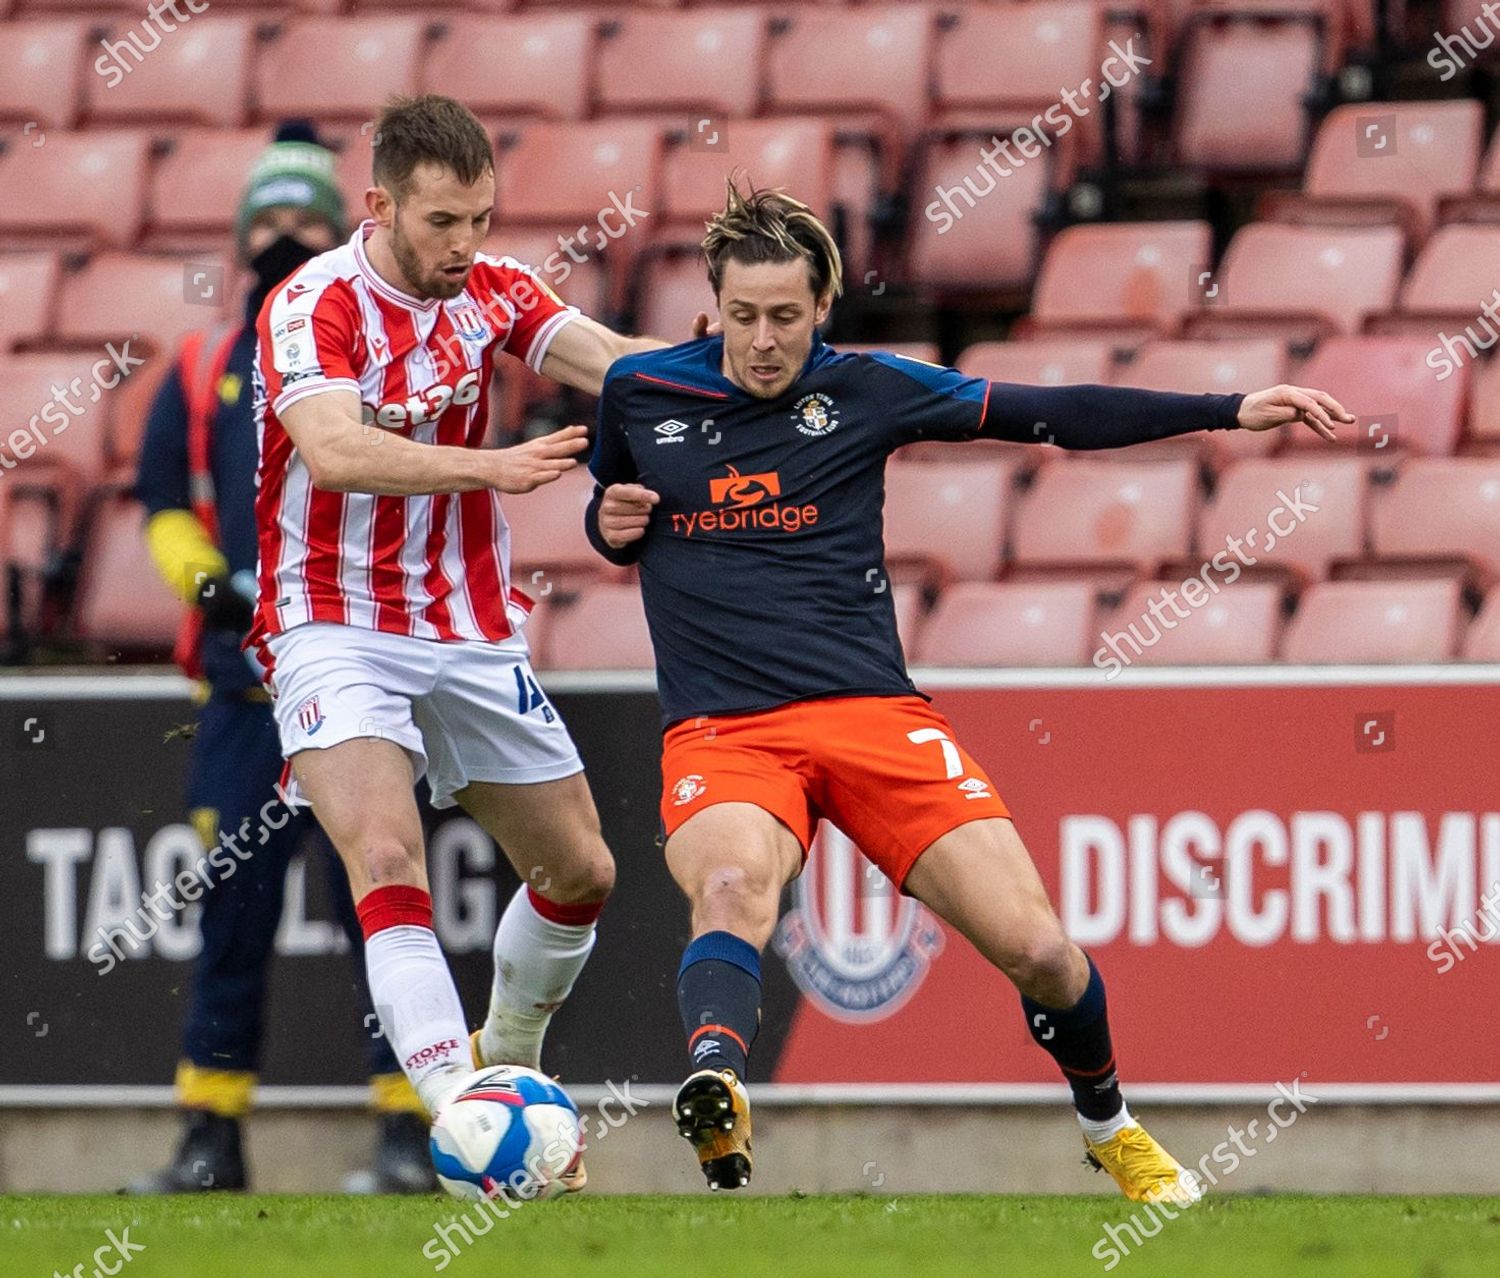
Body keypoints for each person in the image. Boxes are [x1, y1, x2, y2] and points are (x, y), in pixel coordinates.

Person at [585, 181, 1354, 1202]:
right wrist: (610, 524)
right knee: (731, 889)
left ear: (821, 309)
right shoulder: (641, 395)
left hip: (873, 718)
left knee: (1040, 951)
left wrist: (1225, 409)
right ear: (711, 307)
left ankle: (1108, 1124)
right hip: (723, 731)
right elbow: (611, 508)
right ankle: (717, 1087)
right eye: (742, 317)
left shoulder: (867, 388)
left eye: (784, 317)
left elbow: (1050, 414)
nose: (762, 340)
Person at [248, 93, 683, 1189]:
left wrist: (750, 372)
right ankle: (463, 1120)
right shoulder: (312, 308)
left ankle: (507, 1060)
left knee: (581, 870)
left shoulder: (490, 289)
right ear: (381, 204)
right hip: (329, 619)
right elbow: (336, 451)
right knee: (385, 856)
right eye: (443, 222)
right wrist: (493, 468)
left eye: (482, 219)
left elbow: (616, 362)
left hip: (466, 624)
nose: (465, 246)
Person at [133, 122, 434, 1193]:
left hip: (360, 682)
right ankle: (210, 1137)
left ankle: (411, 1132)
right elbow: (162, 502)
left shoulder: (380, 352)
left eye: (306, 220)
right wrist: (207, 584)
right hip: (245, 693)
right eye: (266, 219)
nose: (284, 237)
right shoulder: (204, 362)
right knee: (232, 916)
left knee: (381, 903)